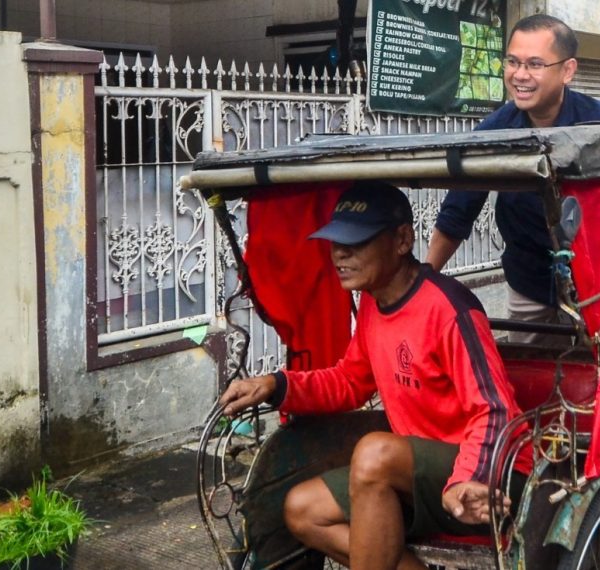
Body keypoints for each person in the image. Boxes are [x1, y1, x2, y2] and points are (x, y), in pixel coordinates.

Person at [219, 181, 530, 570]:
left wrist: (467, 479)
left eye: (357, 243)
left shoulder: (448, 308)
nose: (339, 255)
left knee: (374, 453)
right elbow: (349, 381)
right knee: (302, 508)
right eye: (335, 243)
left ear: (401, 240)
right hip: (417, 475)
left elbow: (495, 410)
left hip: (488, 474)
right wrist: (278, 385)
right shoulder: (373, 300)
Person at [427, 14, 600, 343]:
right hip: (529, 283)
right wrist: (424, 283)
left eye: (535, 64)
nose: (520, 75)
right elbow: (457, 212)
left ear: (567, 70)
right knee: (530, 382)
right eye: (512, 62)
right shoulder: (495, 132)